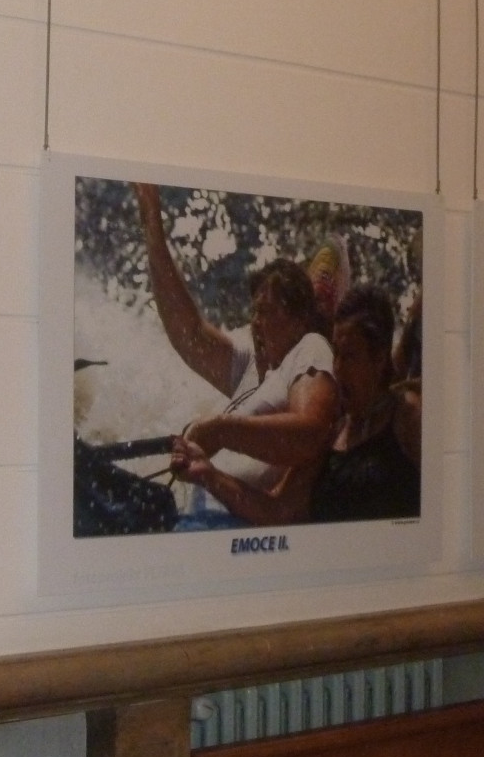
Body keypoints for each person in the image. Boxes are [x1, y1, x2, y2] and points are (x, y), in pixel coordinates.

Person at [131, 182, 339, 525]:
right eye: (254, 311)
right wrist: (152, 227)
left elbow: (309, 432)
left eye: (267, 312)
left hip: (223, 526)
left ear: (300, 320)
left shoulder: (309, 348)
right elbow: (189, 333)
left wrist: (219, 430)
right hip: (196, 515)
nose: (255, 322)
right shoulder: (256, 364)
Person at [309, 286, 420, 523]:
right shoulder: (333, 429)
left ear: (379, 358)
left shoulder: (407, 417)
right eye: (336, 354)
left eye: (349, 356)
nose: (337, 368)